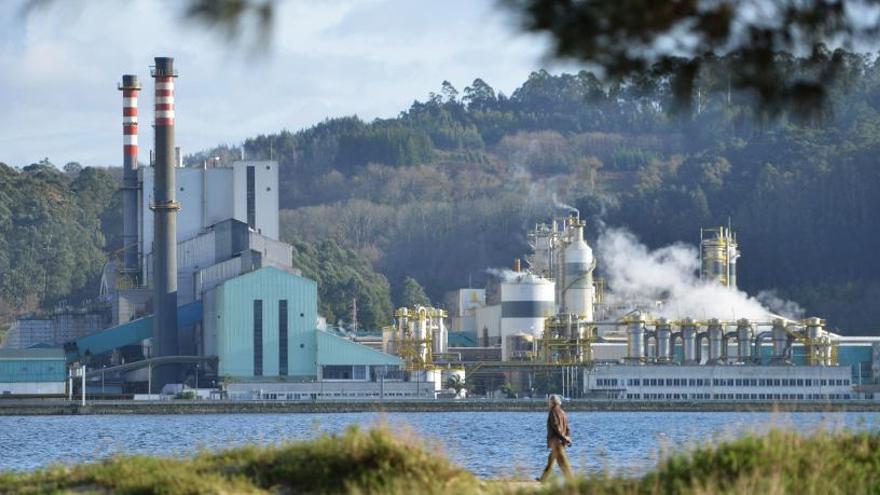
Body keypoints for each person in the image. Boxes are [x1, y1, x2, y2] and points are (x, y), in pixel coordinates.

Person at [538, 394, 573, 482]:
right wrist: (568, 437)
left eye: (549, 401)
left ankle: (572, 482)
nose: (548, 403)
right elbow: (568, 428)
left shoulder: (553, 411)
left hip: (556, 442)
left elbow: (556, 427)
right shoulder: (562, 412)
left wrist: (564, 438)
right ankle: (543, 479)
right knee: (550, 460)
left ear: (553, 402)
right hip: (560, 442)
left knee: (563, 463)